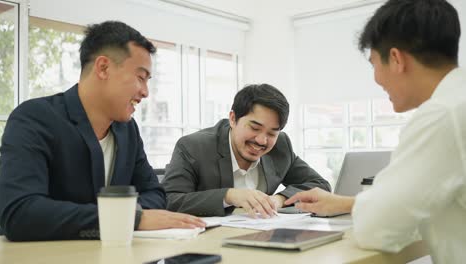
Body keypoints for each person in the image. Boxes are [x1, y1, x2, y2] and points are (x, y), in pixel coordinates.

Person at [285, 0, 466, 262]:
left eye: (373, 64)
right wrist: (350, 204)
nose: (376, 79)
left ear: (395, 59)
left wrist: (365, 209)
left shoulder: (442, 115)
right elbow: (425, 203)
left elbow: (378, 229)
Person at [0, 21, 205, 241]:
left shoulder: (127, 130)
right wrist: (129, 218)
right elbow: (20, 213)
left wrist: (125, 217)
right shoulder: (34, 118)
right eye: (140, 77)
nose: (145, 92)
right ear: (103, 68)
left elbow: (154, 194)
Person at [163, 84, 330, 218]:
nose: (261, 141)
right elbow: (170, 200)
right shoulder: (193, 147)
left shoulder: (281, 146)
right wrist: (229, 196)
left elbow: (320, 185)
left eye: (272, 133)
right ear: (233, 119)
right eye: (255, 128)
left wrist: (279, 200)